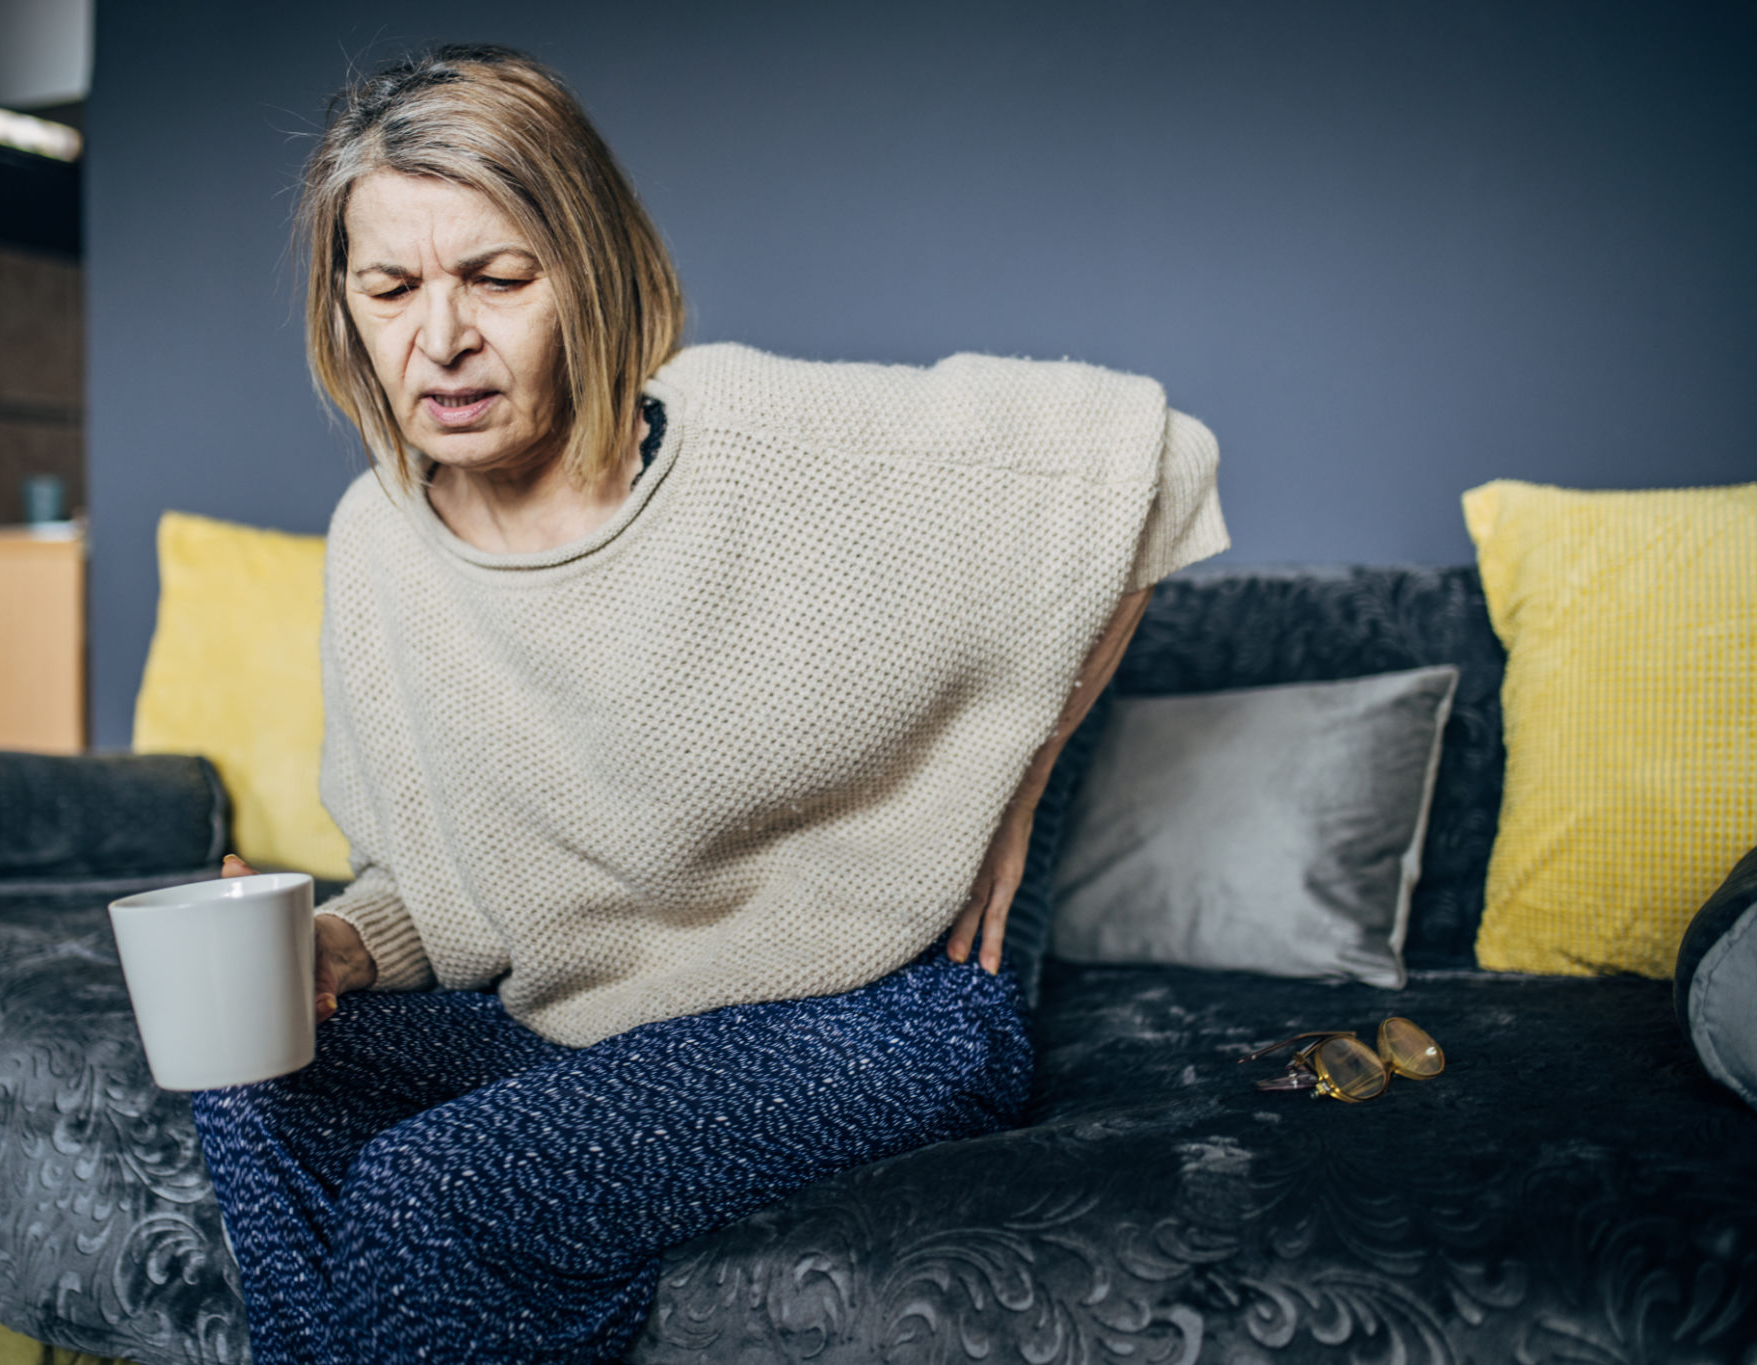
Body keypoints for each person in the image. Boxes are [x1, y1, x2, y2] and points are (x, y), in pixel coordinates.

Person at [190, 42, 1226, 1365]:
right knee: (246, 1075)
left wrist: (1025, 775)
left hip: (871, 1017)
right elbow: (438, 885)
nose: (439, 340)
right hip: (570, 1037)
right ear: (345, 304)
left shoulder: (750, 440)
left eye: (498, 279)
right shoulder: (375, 538)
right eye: (390, 287)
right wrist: (336, 945)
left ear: (589, 271)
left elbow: (1161, 461)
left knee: (427, 1196)